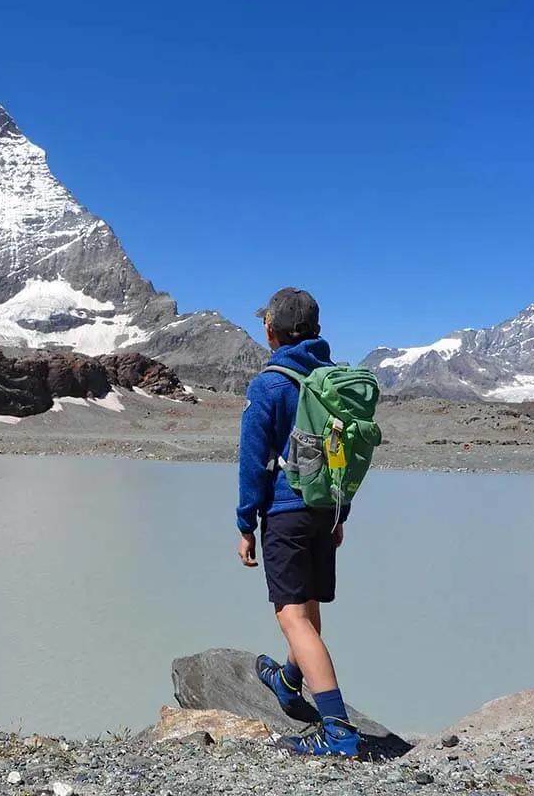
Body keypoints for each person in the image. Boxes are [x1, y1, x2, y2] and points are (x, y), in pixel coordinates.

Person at [236, 286, 361, 757]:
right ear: (315, 331)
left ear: (272, 330)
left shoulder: (270, 383)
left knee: (293, 620)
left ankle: (338, 731)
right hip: (325, 511)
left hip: (286, 515)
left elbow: (254, 460)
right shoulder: (333, 381)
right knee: (308, 608)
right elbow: (343, 455)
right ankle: (288, 681)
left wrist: (245, 523)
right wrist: (340, 513)